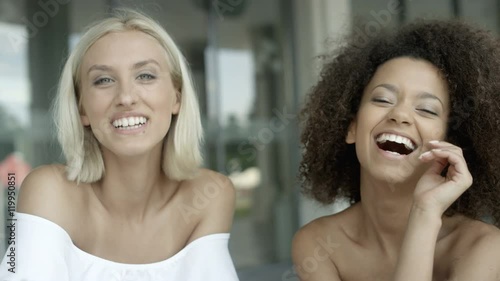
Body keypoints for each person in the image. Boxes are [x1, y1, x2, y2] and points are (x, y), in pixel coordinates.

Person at [0, 9, 238, 281]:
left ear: (176, 98)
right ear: (82, 109)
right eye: (104, 80)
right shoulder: (49, 192)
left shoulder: (210, 195)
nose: (126, 97)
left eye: (146, 76)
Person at [293, 19, 500, 281]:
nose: (400, 114)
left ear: (452, 143)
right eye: (382, 99)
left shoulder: (484, 248)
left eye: (426, 109)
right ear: (351, 127)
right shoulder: (318, 245)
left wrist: (424, 214)